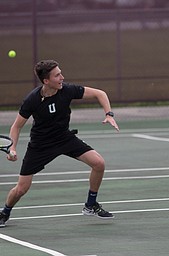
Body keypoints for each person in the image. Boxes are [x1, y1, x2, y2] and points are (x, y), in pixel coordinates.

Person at [0, 60, 119, 228]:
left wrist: (109, 114)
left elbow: (100, 93)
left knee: (99, 163)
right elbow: (17, 126)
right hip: (40, 145)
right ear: (46, 81)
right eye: (57, 75)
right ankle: (4, 213)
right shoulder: (32, 100)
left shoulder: (67, 90)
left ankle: (90, 204)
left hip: (64, 138)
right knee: (21, 188)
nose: (62, 77)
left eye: (61, 73)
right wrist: (12, 148)